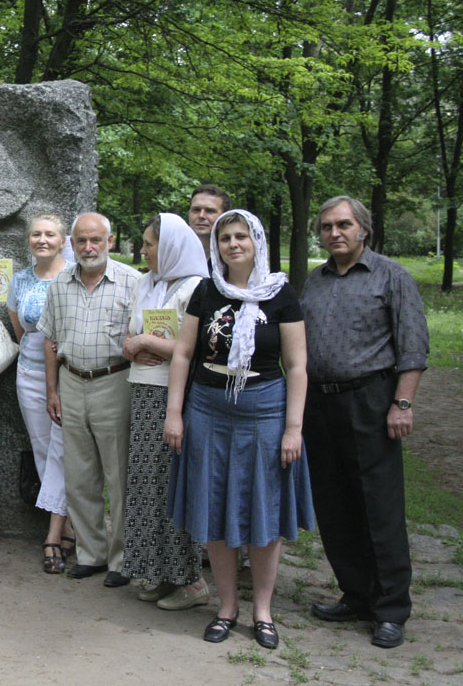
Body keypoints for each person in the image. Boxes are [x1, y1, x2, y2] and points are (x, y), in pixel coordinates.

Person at [164, 209, 314, 650]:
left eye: (241, 237)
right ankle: (226, 607)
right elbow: (182, 354)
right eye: (225, 238)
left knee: (263, 511)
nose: (233, 244)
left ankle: (262, 611)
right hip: (207, 409)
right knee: (213, 507)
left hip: (264, 409)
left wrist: (293, 428)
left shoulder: (281, 294)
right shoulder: (207, 291)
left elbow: (298, 365)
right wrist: (175, 414)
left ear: (257, 242)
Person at [300, 196, 428, 649]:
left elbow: (413, 347)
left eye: (343, 225)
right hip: (319, 404)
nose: (334, 233)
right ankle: (356, 594)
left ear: (363, 230)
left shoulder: (392, 276)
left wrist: (402, 404)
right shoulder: (314, 281)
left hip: (371, 401)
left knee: (379, 507)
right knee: (334, 506)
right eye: (326, 226)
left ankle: (391, 608)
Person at [38, 213, 140, 587]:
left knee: (118, 474)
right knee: (79, 477)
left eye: (95, 240)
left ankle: (122, 559)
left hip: (114, 382)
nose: (88, 247)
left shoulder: (132, 282)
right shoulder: (60, 283)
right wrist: (52, 390)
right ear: (73, 244)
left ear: (109, 242)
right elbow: (50, 342)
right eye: (81, 241)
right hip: (71, 382)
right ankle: (91, 553)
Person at [119, 213, 209, 606]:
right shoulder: (146, 282)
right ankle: (157, 571)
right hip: (141, 390)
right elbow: (131, 332)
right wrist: (133, 343)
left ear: (170, 247)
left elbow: (199, 349)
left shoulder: (196, 289)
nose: (142, 250)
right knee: (144, 485)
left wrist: (147, 343)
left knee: (170, 483)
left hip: (174, 396)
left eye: (149, 244)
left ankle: (191, 581)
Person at [8, 214, 76, 573]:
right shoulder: (20, 279)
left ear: (63, 240)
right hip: (30, 373)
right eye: (36, 234)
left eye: (50, 234)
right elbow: (21, 326)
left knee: (63, 450)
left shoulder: (73, 276)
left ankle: (53, 534)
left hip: (69, 376)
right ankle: (66, 529)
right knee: (42, 448)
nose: (42, 240)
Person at [187, 184, 231, 254]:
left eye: (210, 211)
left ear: (224, 216)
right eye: (196, 210)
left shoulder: (233, 253)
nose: (201, 216)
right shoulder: (173, 251)